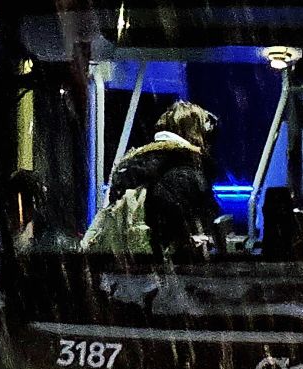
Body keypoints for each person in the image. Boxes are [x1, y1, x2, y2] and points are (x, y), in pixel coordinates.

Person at [82, 100, 221, 256]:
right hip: (168, 269)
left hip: (125, 264)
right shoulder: (185, 173)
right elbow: (181, 230)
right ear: (196, 134)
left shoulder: (133, 167)